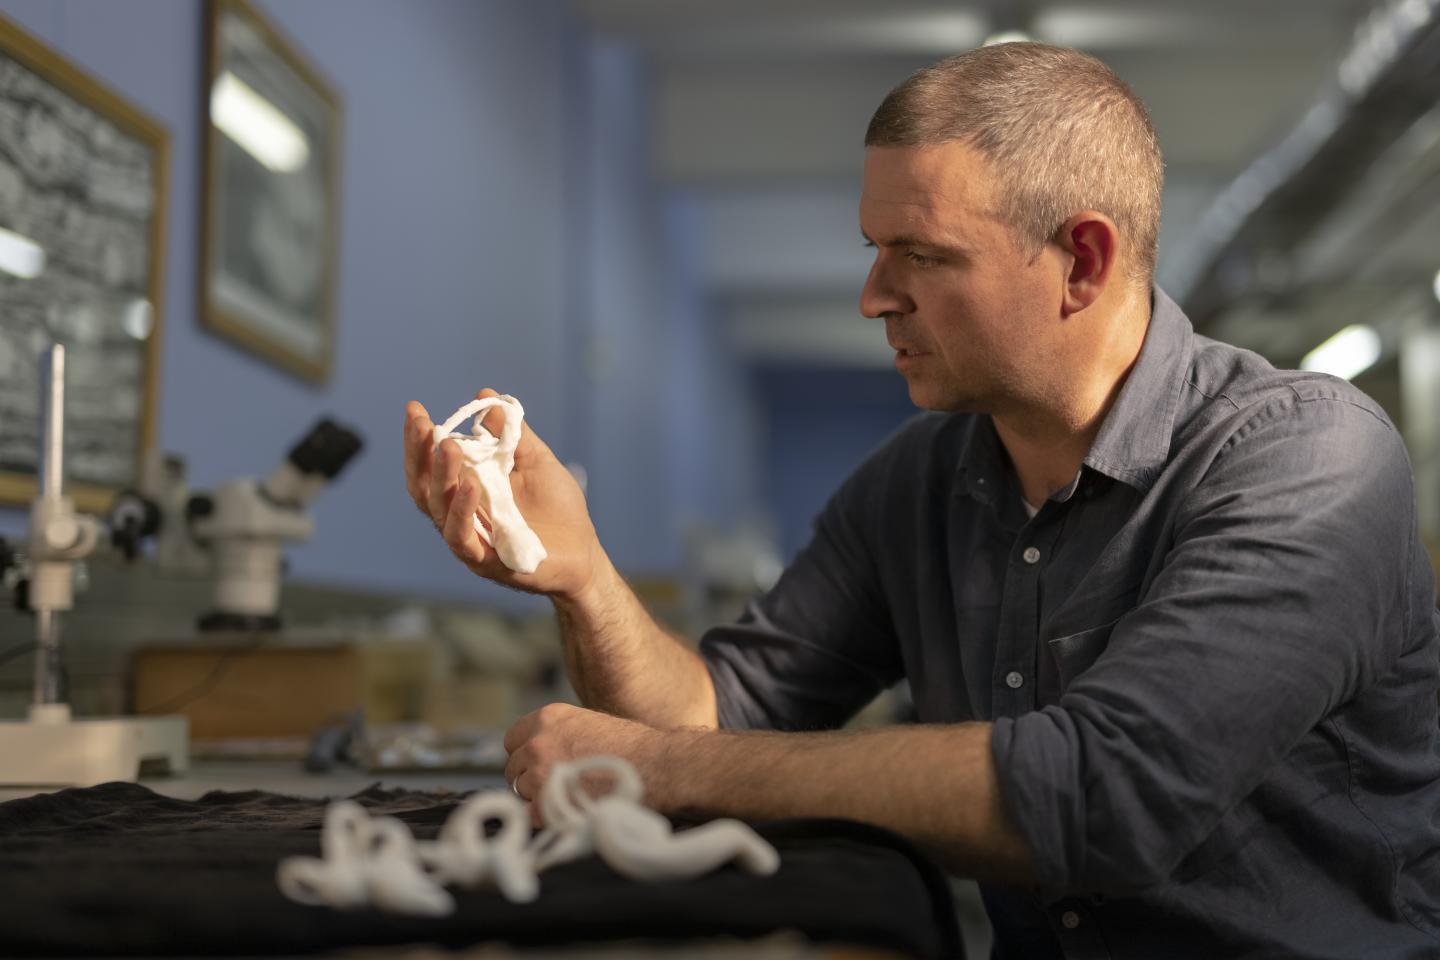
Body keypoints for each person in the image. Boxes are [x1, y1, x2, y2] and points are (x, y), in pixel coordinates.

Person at [403, 42, 1440, 959]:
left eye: (925, 257)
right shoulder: (918, 480)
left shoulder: (1309, 457)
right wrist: (581, 578)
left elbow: (1107, 794)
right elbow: (721, 715)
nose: (875, 297)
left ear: (1083, 261)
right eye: (875, 251)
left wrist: (670, 771)